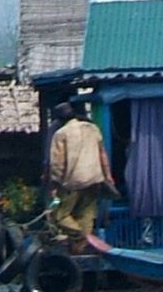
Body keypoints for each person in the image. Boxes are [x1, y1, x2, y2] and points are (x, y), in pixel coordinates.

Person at [46, 99, 117, 244]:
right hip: (94, 180)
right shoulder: (93, 128)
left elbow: (57, 164)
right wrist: (108, 175)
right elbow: (102, 154)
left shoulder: (61, 134)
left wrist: (55, 185)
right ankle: (81, 245)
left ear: (60, 120)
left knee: (59, 216)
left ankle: (81, 236)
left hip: (72, 182)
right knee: (86, 215)